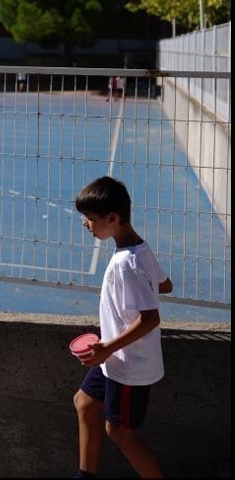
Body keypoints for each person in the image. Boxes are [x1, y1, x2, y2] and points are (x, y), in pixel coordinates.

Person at [72, 177, 173, 479]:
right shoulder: (139, 250)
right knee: (85, 403)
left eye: (90, 219)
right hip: (115, 357)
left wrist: (107, 347)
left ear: (112, 218)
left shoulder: (127, 264)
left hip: (127, 364)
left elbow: (151, 318)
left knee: (120, 432)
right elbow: (165, 285)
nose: (85, 225)